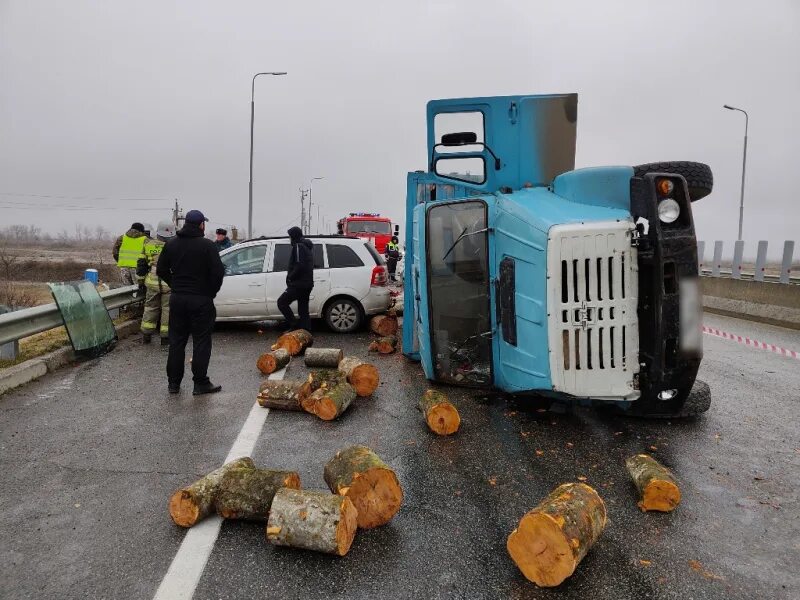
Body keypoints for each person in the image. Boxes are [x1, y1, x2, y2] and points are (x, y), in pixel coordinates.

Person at [156, 210, 225, 395]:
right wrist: (210, 292)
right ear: (201, 224)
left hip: (178, 299)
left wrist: (175, 284)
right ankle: (200, 383)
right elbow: (218, 273)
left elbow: (161, 270)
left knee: (177, 342)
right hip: (201, 300)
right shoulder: (207, 246)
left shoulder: (171, 244)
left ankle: (173, 384)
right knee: (201, 341)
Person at [136, 220, 176, 346]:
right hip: (169, 284)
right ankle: (165, 338)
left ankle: (146, 335)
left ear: (158, 232)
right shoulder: (175, 246)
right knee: (167, 310)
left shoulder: (148, 244)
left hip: (152, 283)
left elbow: (141, 265)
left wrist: (140, 281)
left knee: (150, 308)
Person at [277, 226, 314, 332]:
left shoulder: (298, 246)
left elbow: (299, 265)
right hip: (307, 284)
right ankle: (306, 331)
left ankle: (294, 325)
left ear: (294, 236)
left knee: (282, 302)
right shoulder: (307, 246)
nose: (289, 239)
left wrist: (290, 277)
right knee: (303, 309)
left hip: (299, 284)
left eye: (290, 236)